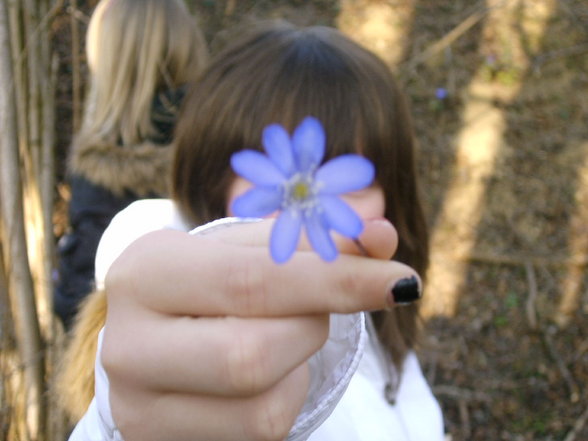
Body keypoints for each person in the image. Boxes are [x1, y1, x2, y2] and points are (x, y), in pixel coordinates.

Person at [63, 21, 444, 441]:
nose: (306, 208)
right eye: (277, 183)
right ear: (213, 181)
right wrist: (118, 426)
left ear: (394, 195)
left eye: (349, 184)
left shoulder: (385, 329)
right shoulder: (176, 330)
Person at [53, 0, 208, 330]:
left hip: (136, 371)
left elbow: (77, 307)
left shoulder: (98, 173)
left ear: (107, 61)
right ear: (187, 44)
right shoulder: (226, 147)